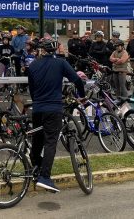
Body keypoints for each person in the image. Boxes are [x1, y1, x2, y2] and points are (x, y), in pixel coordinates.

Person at [27, 38, 87, 193]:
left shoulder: (33, 65)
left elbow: (32, 90)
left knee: (37, 142)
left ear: (42, 50)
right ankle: (45, 177)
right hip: (53, 107)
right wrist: (82, 96)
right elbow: (77, 80)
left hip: (38, 108)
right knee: (50, 142)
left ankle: (36, 170)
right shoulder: (60, 63)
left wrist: (38, 102)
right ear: (55, 50)